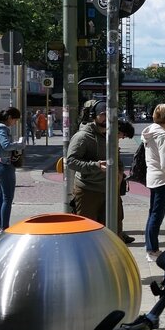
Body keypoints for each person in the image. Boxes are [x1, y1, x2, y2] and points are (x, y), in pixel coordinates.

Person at [66, 100, 134, 242]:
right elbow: (71, 162)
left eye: (110, 115)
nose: (107, 118)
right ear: (94, 116)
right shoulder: (83, 137)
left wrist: (120, 172)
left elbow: (116, 158)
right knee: (87, 233)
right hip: (88, 191)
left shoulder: (111, 136)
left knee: (113, 232)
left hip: (110, 191)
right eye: (103, 114)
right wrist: (95, 166)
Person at [141, 104, 165, 263]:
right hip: (162, 179)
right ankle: (152, 251)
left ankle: (151, 248)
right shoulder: (162, 136)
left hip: (152, 176)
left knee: (153, 214)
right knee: (157, 215)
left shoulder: (149, 132)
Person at [0, 107, 23, 232]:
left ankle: (1, 228)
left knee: (1, 198)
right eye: (15, 120)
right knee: (7, 199)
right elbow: (6, 145)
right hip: (4, 165)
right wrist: (20, 144)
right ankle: (4, 228)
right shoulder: (1, 128)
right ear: (9, 118)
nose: (14, 123)